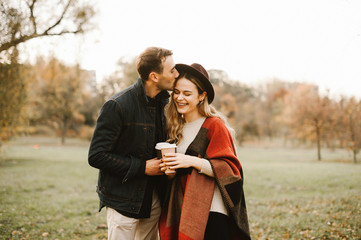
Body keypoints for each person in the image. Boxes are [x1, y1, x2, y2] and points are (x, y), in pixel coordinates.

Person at [88, 47, 179, 240]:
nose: (176, 74)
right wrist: (143, 167)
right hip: (122, 201)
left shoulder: (165, 105)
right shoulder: (117, 105)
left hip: (154, 201)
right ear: (154, 76)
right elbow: (97, 155)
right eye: (171, 70)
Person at [159, 63, 251, 240]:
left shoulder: (213, 125)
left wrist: (192, 161)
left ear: (202, 96)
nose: (179, 98)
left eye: (187, 94)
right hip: (184, 208)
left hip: (212, 212)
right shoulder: (174, 127)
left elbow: (231, 170)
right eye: (176, 92)